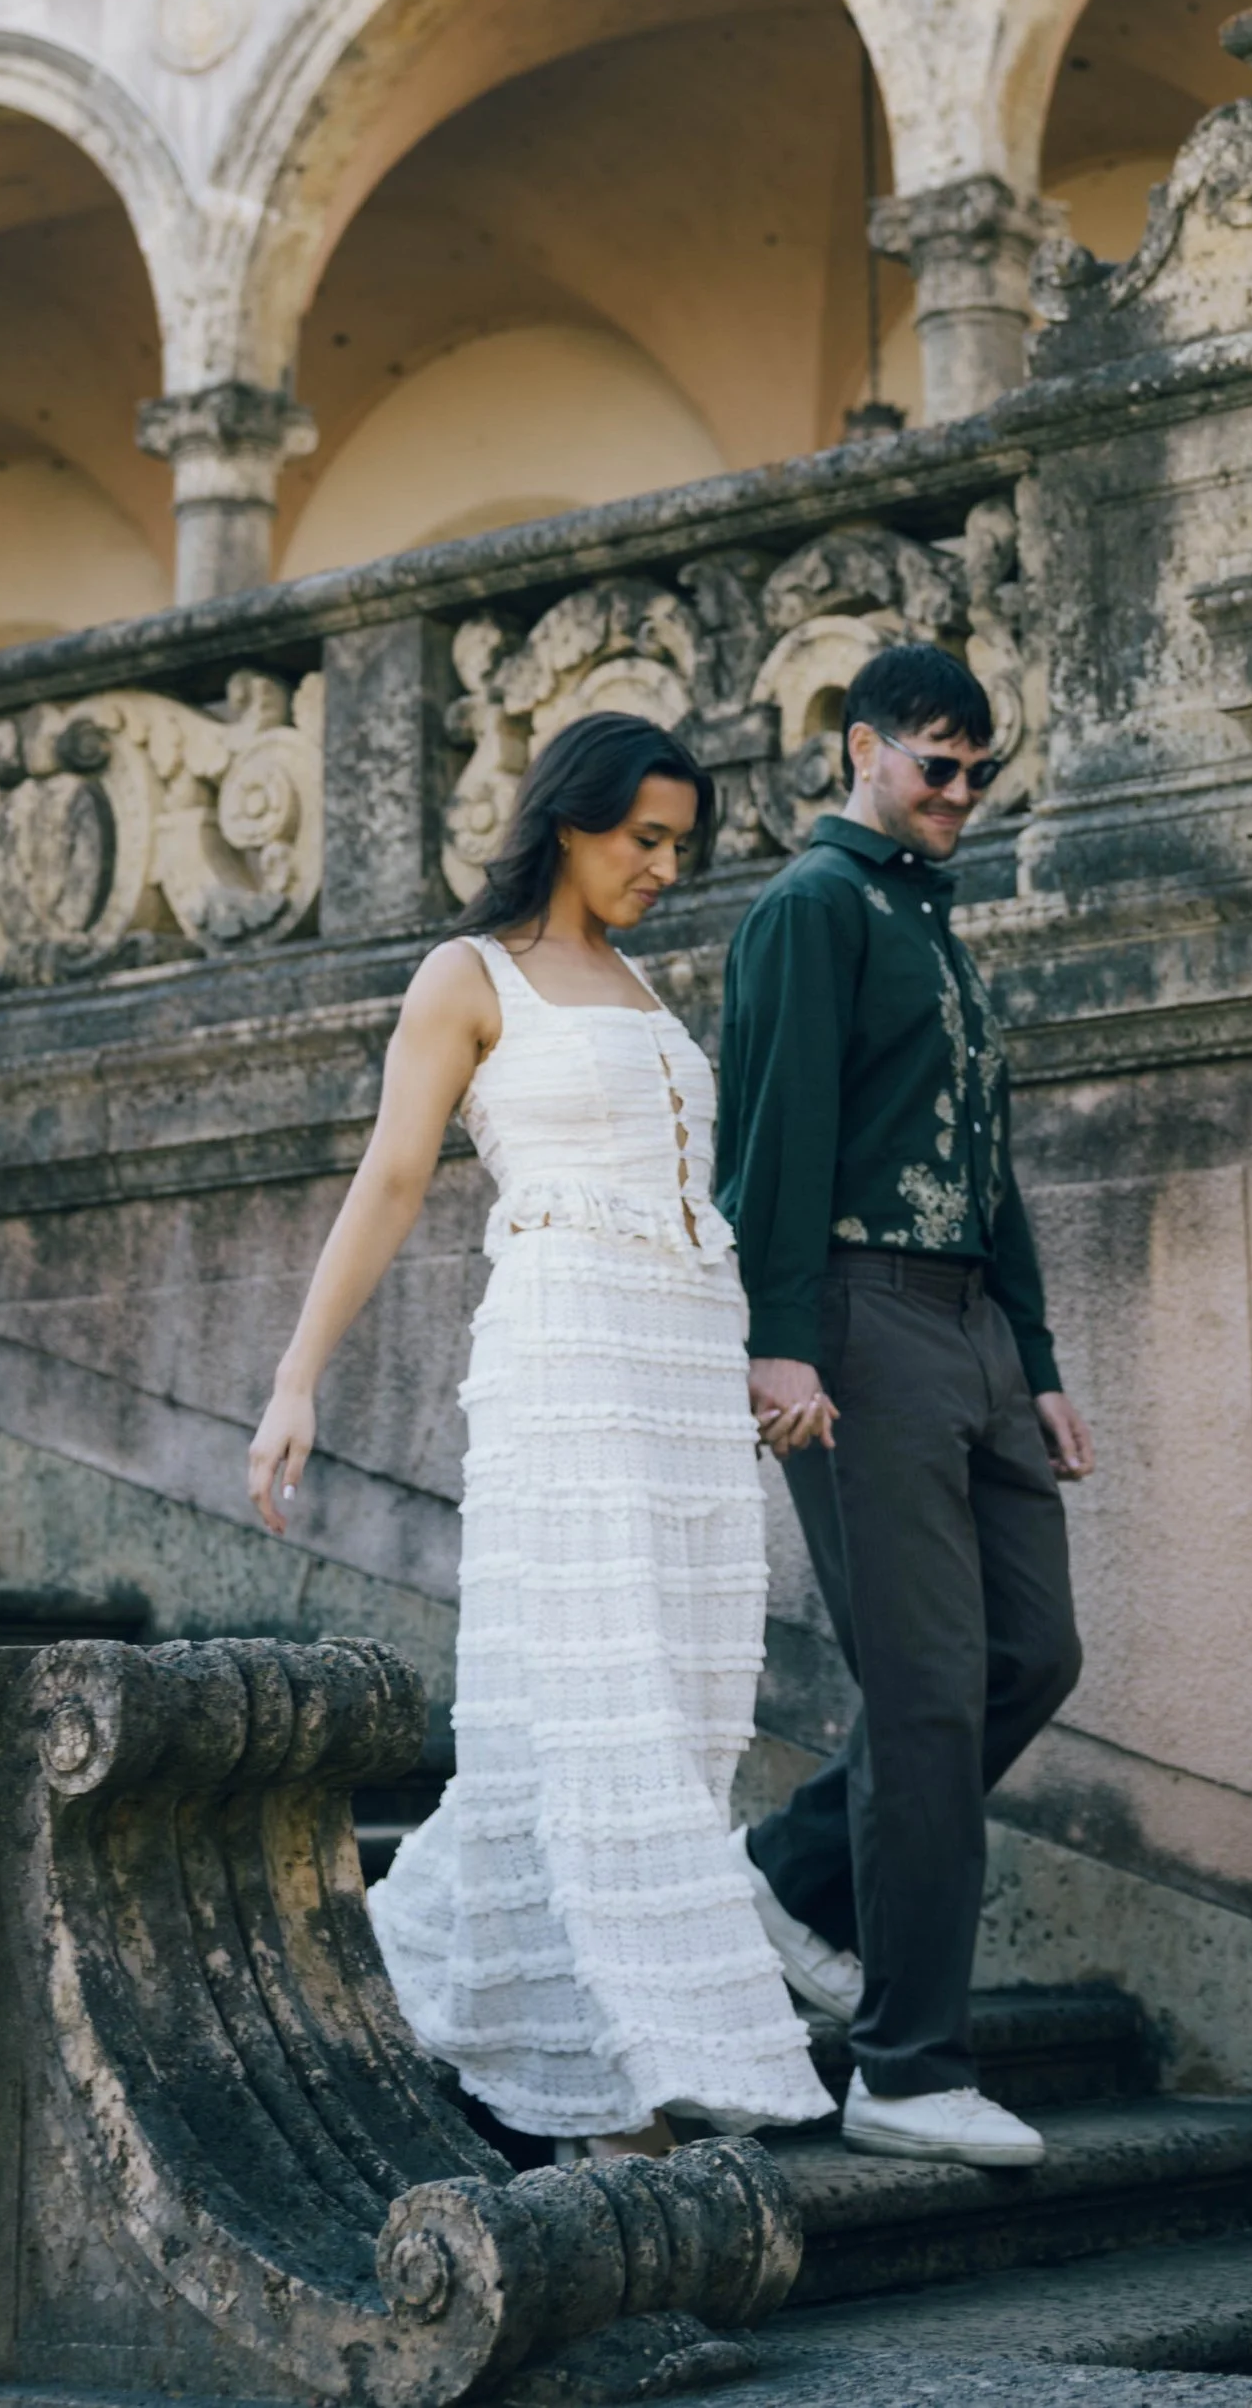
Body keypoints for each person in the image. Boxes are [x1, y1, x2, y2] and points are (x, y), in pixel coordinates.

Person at [246, 710, 823, 2160]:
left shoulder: (642, 981)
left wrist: (753, 1365)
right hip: (566, 1361)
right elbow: (391, 1178)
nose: (664, 867)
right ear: (569, 821)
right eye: (645, 837)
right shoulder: (469, 974)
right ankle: (617, 2096)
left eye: (680, 845)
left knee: (679, 1712)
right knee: (589, 1705)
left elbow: (692, 1202)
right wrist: (297, 1378)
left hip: (681, 1373)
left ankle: (508, 2010)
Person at [716, 640, 1094, 2170]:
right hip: (859, 1327)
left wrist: (1039, 1362)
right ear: (859, 748)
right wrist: (778, 1340)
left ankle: (791, 1867)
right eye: (937, 763)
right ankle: (907, 2066)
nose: (960, 791)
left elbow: (991, 1165)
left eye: (980, 770)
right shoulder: (809, 908)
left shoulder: (933, 922)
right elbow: (773, 1138)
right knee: (927, 1690)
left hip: (975, 1330)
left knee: (1032, 1653)